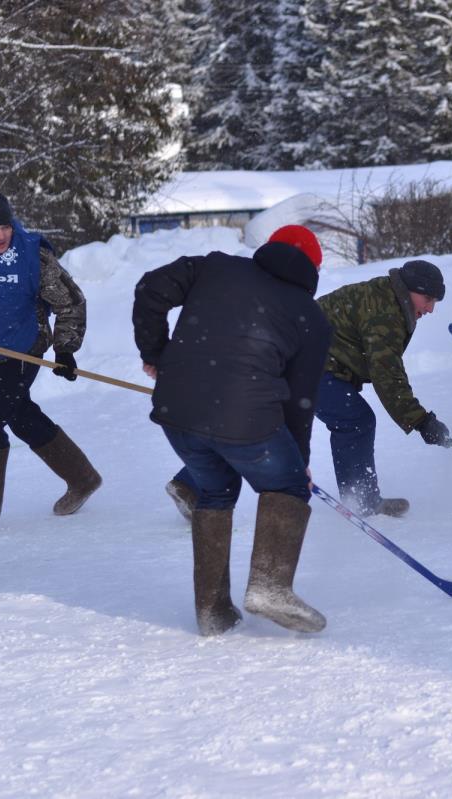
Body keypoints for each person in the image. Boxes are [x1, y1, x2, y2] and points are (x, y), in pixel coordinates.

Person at [133, 224, 332, 636]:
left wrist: (155, 352)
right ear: (314, 267)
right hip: (246, 420)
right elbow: (300, 400)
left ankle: (212, 609)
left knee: (214, 492)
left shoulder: (216, 267)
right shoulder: (312, 317)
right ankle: (271, 587)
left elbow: (151, 288)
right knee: (287, 487)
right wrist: (299, 464)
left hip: (177, 412)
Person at [0, 188, 101, 535]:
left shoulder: (33, 257)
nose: (0, 235)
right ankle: (82, 477)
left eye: (5, 227)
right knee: (21, 417)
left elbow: (71, 303)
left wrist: (66, 349)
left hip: (24, 350)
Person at [313, 259, 451, 518]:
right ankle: (360, 502)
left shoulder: (388, 298)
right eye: (428, 299)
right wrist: (421, 421)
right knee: (354, 420)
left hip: (315, 361)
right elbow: (387, 374)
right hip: (304, 362)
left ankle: (361, 498)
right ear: (411, 289)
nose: (430, 309)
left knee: (355, 419)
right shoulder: (385, 311)